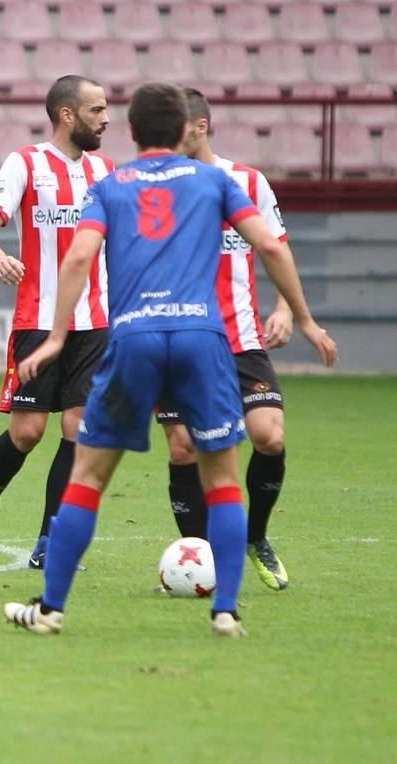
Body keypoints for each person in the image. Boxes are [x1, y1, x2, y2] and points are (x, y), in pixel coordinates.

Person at [3, 82, 338, 639]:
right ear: (186, 131)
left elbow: (79, 256)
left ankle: (51, 608)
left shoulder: (113, 184)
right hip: (202, 339)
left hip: (133, 337)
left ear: (132, 133)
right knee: (224, 478)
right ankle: (226, 609)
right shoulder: (214, 181)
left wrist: (58, 336)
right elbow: (273, 248)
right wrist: (303, 319)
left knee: (87, 476)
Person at [0, 75, 113, 571]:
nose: (106, 119)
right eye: (96, 110)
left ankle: (51, 535)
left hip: (93, 323)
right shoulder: (25, 163)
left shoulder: (107, 170)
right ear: (67, 115)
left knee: (77, 428)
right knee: (27, 432)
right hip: (37, 319)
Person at [158, 89, 296, 591]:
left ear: (201, 126)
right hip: (178, 338)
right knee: (182, 450)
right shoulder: (160, 187)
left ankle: (255, 538)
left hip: (241, 338)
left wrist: (283, 308)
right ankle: (206, 563)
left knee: (270, 436)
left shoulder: (248, 181)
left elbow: (276, 247)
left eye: (179, 128)